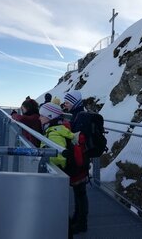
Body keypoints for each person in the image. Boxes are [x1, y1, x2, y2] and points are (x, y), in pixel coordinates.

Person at [63, 90, 89, 234]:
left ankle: (81, 223)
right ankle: (77, 218)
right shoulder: (78, 114)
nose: (65, 105)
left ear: (74, 102)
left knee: (80, 192)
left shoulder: (80, 116)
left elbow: (77, 138)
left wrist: (67, 129)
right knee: (79, 192)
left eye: (67, 103)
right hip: (81, 158)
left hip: (81, 159)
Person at [38, 102, 77, 171]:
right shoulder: (56, 129)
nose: (39, 118)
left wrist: (43, 160)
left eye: (42, 115)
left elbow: (59, 159)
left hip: (55, 174)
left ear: (50, 116)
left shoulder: (54, 133)